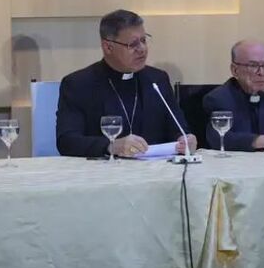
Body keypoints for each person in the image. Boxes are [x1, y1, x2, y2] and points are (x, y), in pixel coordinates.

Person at [56, 9, 197, 158]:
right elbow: (67, 141)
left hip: (155, 172)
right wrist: (111, 146)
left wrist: (186, 139)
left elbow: (178, 129)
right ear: (108, 47)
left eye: (144, 40)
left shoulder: (157, 80)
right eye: (133, 44)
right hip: (102, 175)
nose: (142, 49)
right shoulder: (79, 84)